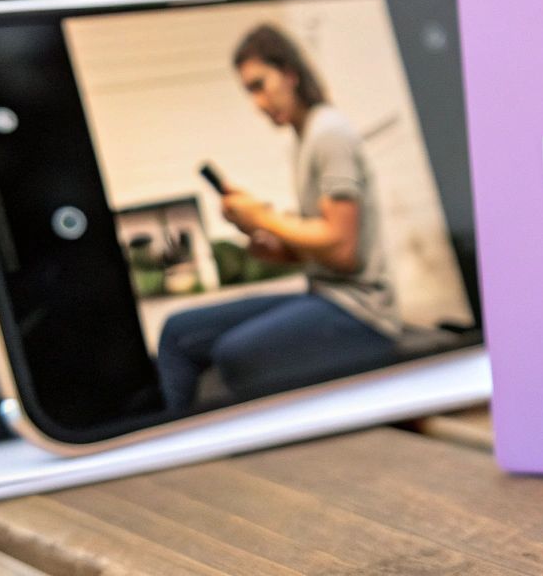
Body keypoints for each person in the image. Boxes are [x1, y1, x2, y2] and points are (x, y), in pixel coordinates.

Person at [155, 24, 401, 414]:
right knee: (178, 332)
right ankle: (165, 436)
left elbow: (343, 250)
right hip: (325, 294)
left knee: (234, 355)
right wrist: (268, 240)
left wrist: (265, 216)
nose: (257, 102)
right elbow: (319, 250)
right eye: (248, 92)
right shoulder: (304, 140)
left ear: (289, 74)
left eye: (259, 85)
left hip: (361, 313)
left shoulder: (328, 134)